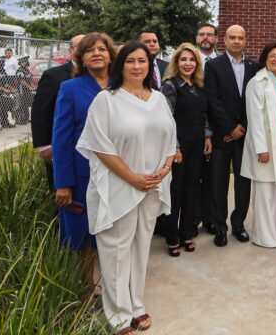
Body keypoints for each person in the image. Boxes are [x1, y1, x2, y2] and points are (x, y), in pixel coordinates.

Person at [75, 42, 177, 334]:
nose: (136, 66)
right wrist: (132, 177)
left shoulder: (158, 99)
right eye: (130, 61)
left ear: (149, 65)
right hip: (119, 185)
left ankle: (136, 304)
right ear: (120, 66)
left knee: (141, 246)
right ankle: (117, 314)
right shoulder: (107, 100)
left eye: (142, 61)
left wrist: (165, 169)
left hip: (152, 185)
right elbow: (99, 146)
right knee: (116, 249)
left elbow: (170, 139)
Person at [52, 33, 114, 291]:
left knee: (111, 237)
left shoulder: (122, 87)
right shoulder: (70, 89)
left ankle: (114, 290)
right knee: (82, 239)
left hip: (117, 175)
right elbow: (62, 138)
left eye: (102, 49)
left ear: (111, 55)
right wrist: (63, 183)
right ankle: (86, 291)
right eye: (90, 50)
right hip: (81, 176)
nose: (97, 53)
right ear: (81, 58)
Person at [204, 25, 258, 246]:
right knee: (219, 183)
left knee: (243, 183)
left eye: (241, 38)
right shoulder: (213, 65)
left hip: (245, 135)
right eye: (232, 37)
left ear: (245, 40)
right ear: (224, 40)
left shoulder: (254, 66)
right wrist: (229, 128)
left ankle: (238, 224)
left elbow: (256, 101)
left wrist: (242, 127)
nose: (236, 41)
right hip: (220, 136)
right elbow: (212, 100)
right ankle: (220, 227)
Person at [160, 43, 212, 256]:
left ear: (197, 63)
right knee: (176, 190)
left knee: (192, 188)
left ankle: (186, 233)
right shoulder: (170, 86)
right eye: (183, 60)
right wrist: (175, 148)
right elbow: (166, 119)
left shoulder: (199, 85)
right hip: (178, 147)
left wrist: (208, 136)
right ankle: (172, 237)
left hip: (198, 144)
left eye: (192, 60)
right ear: (176, 62)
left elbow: (204, 114)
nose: (188, 63)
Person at [241, 43, 276, 248]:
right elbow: (254, 118)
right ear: (265, 58)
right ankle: (263, 237)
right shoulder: (257, 82)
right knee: (264, 193)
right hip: (265, 147)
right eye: (273, 55)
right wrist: (261, 149)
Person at [32, 34, 84, 191]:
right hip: (60, 147)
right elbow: (40, 111)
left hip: (87, 148)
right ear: (70, 51)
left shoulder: (100, 75)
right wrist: (44, 146)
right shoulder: (53, 75)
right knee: (62, 194)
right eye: (80, 47)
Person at [14, 55, 34, 125]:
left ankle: (25, 118)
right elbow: (22, 81)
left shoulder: (27, 70)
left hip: (28, 90)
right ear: (20, 63)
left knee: (26, 105)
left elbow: (30, 79)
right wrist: (29, 87)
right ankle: (19, 120)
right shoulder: (19, 70)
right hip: (22, 90)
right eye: (22, 62)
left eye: (25, 62)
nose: (24, 63)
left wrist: (32, 86)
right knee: (21, 105)